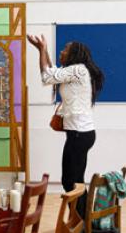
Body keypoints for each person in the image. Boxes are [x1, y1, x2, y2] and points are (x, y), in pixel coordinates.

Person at [28, 34, 104, 217]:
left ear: (74, 55)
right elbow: (52, 73)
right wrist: (43, 49)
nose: (61, 52)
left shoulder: (77, 70)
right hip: (81, 134)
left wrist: (41, 50)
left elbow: (47, 77)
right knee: (75, 181)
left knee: (69, 181)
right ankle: (84, 223)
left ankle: (81, 223)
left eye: (65, 50)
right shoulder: (77, 70)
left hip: (79, 135)